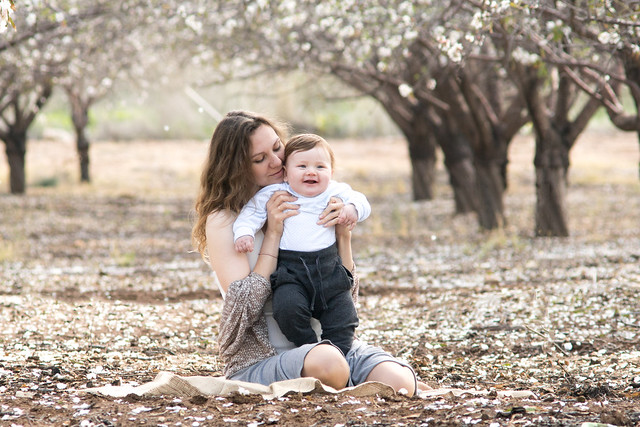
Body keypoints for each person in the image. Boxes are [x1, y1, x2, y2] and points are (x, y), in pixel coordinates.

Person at [192, 110, 421, 395]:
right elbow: (244, 305)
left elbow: (343, 290)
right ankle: (338, 374)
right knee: (329, 364)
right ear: (236, 167)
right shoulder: (225, 220)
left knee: (400, 383)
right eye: (260, 159)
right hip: (265, 356)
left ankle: (345, 370)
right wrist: (273, 234)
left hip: (332, 343)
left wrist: (343, 236)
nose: (276, 161)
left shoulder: (309, 196)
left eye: (277, 148)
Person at [232, 133, 370, 357]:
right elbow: (251, 213)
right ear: (286, 173)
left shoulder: (335, 191)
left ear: (331, 173)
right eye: (302, 166)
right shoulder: (276, 192)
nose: (311, 172)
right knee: (287, 309)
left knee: (345, 316)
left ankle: (339, 355)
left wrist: (351, 209)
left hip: (329, 270)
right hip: (291, 272)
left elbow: (362, 201)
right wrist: (244, 233)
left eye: (320, 167)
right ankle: (309, 347)